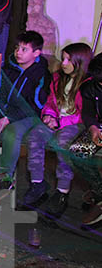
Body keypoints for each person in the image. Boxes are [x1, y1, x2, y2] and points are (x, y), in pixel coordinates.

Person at [22, 43, 93, 218]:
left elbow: (86, 113)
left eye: (69, 60)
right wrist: (49, 115)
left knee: (64, 145)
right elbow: (51, 102)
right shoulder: (57, 79)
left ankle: (62, 190)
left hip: (75, 124)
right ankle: (37, 183)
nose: (63, 63)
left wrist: (61, 122)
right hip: (57, 121)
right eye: (63, 59)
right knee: (35, 136)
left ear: (80, 62)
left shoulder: (88, 85)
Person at [0, 30, 50, 186]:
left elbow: (36, 105)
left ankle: (5, 175)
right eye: (17, 48)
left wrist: (7, 119)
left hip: (27, 115)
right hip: (3, 111)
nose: (18, 53)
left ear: (36, 53)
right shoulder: (8, 67)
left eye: (24, 49)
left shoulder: (41, 74)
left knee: (12, 133)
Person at [79, 54, 102, 226]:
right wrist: (93, 128)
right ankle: (99, 191)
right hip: (99, 128)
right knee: (77, 152)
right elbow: (87, 112)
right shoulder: (90, 87)